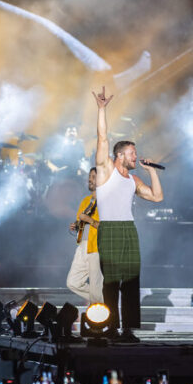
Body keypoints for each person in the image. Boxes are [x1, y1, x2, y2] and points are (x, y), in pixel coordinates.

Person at [92, 86, 163, 342]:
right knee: (112, 281)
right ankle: (110, 327)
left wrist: (151, 171)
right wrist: (102, 109)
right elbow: (102, 138)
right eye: (132, 153)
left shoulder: (133, 180)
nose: (136, 156)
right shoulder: (106, 171)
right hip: (110, 228)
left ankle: (128, 329)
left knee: (131, 281)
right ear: (120, 155)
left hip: (128, 230)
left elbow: (157, 197)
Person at [67, 167, 104, 304]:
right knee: (73, 283)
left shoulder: (107, 201)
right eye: (89, 176)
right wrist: (76, 226)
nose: (90, 179)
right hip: (82, 246)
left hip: (97, 247)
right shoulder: (85, 200)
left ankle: (103, 307)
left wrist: (89, 220)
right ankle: (105, 300)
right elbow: (80, 222)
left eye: (94, 177)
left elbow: (108, 228)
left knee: (96, 286)